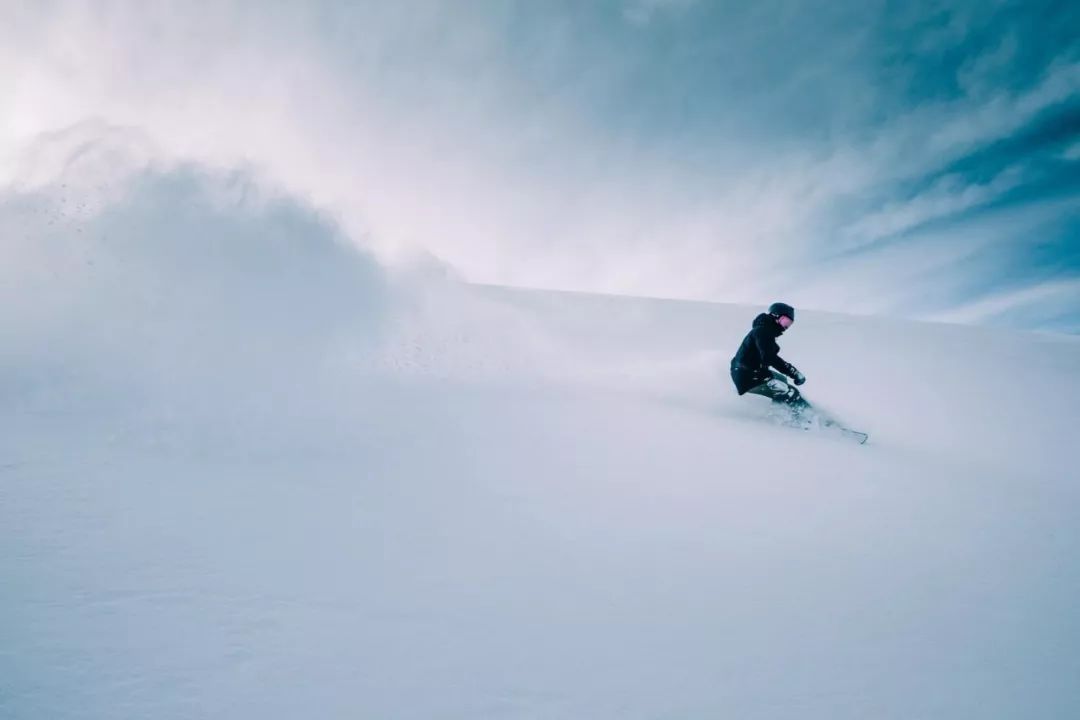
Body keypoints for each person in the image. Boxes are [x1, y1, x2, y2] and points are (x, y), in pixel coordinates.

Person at [730, 302, 809, 417]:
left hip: (752, 372)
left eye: (789, 324)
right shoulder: (762, 332)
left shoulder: (764, 332)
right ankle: (792, 418)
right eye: (785, 321)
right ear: (775, 316)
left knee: (781, 379)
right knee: (788, 391)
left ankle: (785, 410)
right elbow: (769, 357)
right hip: (747, 376)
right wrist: (793, 372)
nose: (785, 327)